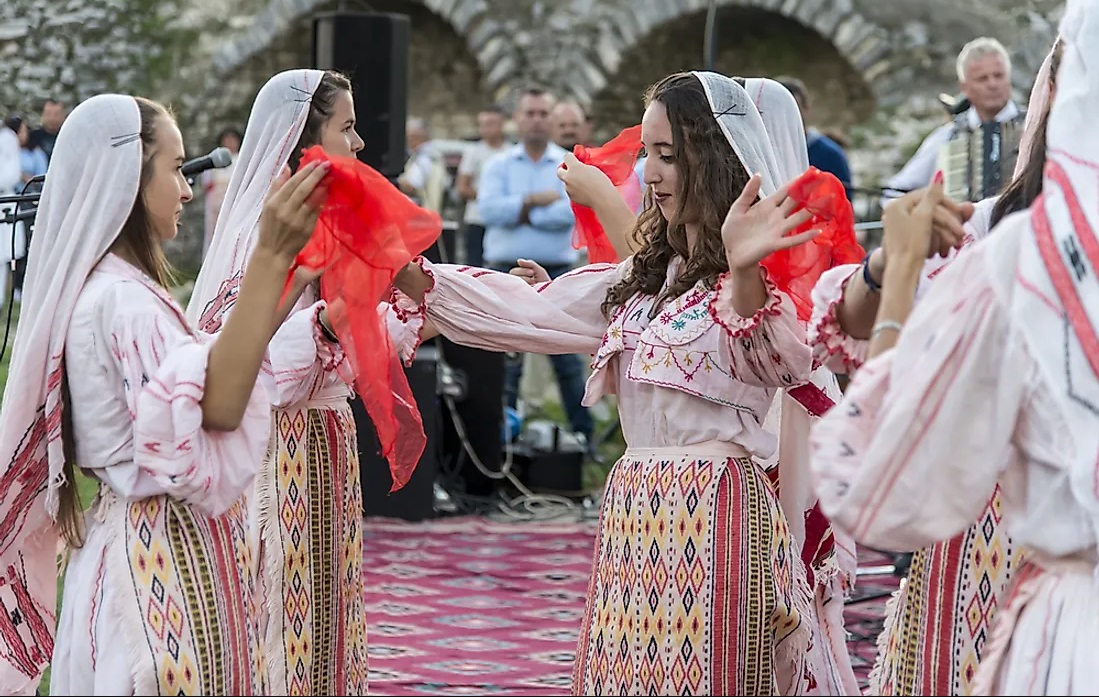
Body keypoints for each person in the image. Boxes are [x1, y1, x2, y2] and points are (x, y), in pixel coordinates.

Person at [389, 70, 841, 695]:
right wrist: (410, 272)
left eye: (668, 156)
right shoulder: (644, 278)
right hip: (635, 507)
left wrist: (741, 269)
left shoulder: (756, 281)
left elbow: (780, 364)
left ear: (712, 162)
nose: (648, 175)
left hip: (714, 512)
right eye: (645, 155)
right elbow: (530, 312)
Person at [810, 1, 1099, 692]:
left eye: (1008, 76)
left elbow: (877, 484)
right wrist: (889, 264)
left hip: (1042, 568)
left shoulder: (1015, 251)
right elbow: (850, 304)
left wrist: (902, 266)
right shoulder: (989, 212)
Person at [0, 93, 327, 695]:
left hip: (136, 545)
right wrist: (270, 255)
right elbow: (218, 408)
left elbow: (206, 370)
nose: (185, 188)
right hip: (154, 571)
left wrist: (290, 280)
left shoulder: (114, 290)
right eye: (175, 167)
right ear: (129, 177)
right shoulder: (122, 301)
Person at [186, 68, 370, 697]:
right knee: (282, 608)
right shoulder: (259, 232)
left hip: (324, 435)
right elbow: (229, 348)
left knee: (326, 606)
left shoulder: (330, 220)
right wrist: (326, 327)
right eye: (346, 127)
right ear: (303, 138)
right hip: (278, 447)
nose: (360, 143)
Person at [883, 37, 1021, 202]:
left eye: (999, 76)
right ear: (965, 88)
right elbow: (893, 194)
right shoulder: (946, 138)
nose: (992, 84)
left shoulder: (1036, 126)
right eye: (982, 79)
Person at [200, 126, 242, 256]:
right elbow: (207, 183)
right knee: (214, 233)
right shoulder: (214, 160)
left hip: (234, 199)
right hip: (216, 200)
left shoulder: (242, 159)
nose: (229, 143)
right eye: (227, 139)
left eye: (232, 139)